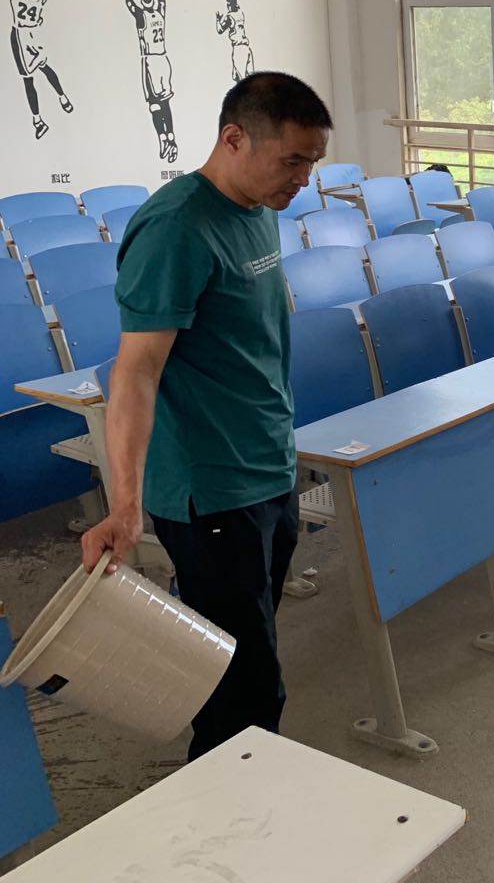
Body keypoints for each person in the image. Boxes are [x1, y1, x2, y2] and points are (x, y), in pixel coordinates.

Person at [80, 72, 332, 761]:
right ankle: (230, 809)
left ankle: (230, 784)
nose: (303, 180)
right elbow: (135, 373)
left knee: (240, 656)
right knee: (246, 691)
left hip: (268, 465)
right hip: (212, 487)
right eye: (293, 161)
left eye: (312, 162)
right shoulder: (176, 229)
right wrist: (125, 505)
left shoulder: (260, 204)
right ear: (234, 138)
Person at [10, 0, 73, 140]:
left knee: (28, 80)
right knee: (45, 67)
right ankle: (63, 98)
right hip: (34, 33)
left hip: (20, 35)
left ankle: (38, 121)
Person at [125, 0, 178, 163]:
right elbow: (162, 0)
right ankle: (171, 137)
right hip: (164, 60)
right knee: (166, 103)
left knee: (154, 105)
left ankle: (163, 138)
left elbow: (129, 1)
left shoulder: (142, 17)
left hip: (150, 61)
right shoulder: (160, 13)